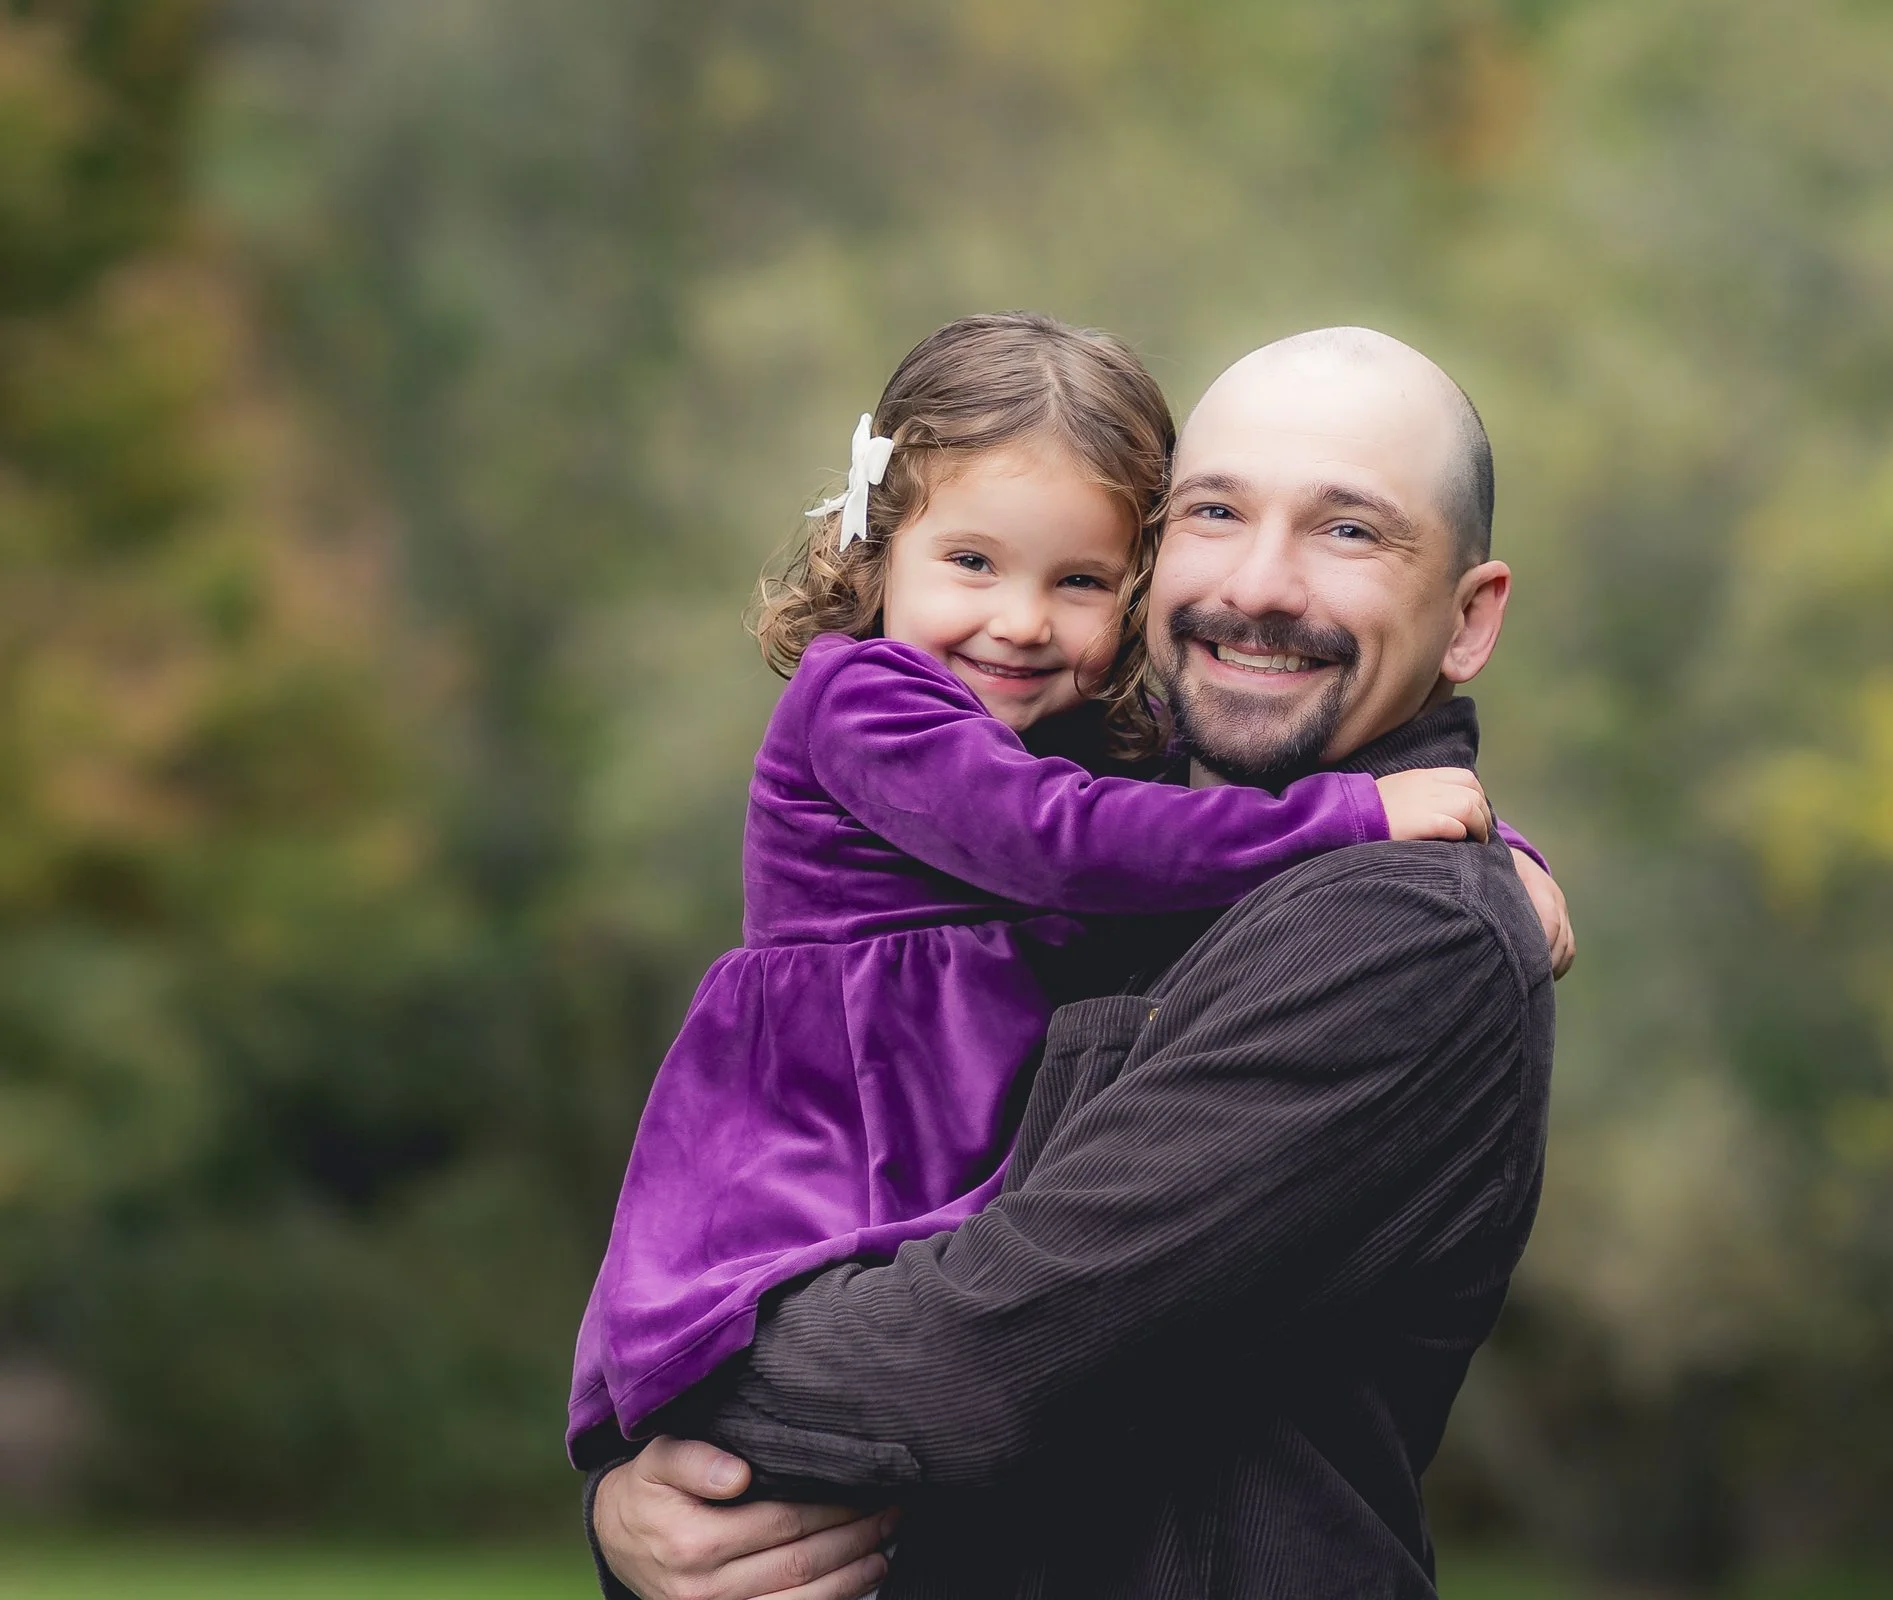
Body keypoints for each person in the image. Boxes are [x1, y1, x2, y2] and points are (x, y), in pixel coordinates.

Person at [584, 325, 1567, 1600]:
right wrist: (634, 1515)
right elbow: (1103, 839)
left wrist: (684, 1411)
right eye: (1216, 513)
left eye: (1348, 531)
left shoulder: (1399, 929)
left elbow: (971, 1361)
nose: (1260, 585)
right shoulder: (1141, 822)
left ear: (1469, 616)